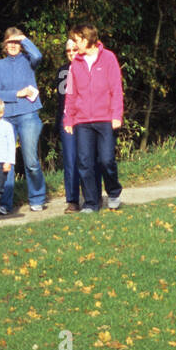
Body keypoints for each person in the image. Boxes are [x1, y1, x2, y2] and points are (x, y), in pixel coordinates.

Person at [62, 23, 124, 213]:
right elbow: (70, 94)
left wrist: (116, 115)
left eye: (77, 40)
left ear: (87, 39)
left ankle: (113, 191)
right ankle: (90, 203)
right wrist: (69, 119)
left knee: (106, 160)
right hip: (82, 121)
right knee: (84, 162)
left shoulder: (109, 58)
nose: (75, 45)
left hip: (105, 118)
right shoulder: (75, 64)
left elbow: (116, 89)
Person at [0, 27, 47, 212]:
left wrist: (24, 39)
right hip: (6, 118)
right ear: (4, 45)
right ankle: (5, 203)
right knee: (6, 161)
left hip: (28, 114)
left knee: (30, 161)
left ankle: (37, 198)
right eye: (9, 42)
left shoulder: (29, 60)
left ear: (21, 45)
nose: (13, 45)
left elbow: (38, 56)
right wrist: (17, 93)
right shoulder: (0, 65)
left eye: (16, 42)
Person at [55, 38, 82, 214]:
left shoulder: (89, 68)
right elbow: (61, 100)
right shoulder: (63, 72)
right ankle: (72, 200)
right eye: (68, 51)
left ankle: (92, 196)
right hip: (68, 120)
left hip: (88, 118)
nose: (72, 53)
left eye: (75, 49)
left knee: (89, 159)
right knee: (70, 160)